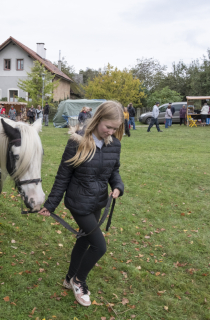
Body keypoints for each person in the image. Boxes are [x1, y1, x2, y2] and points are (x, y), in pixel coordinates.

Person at [38, 101, 124, 307]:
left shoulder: (114, 144)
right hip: (78, 202)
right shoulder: (76, 142)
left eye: (115, 128)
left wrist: (118, 186)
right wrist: (50, 205)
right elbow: (62, 176)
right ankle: (79, 280)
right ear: (97, 119)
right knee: (99, 246)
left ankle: (69, 278)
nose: (110, 132)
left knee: (84, 240)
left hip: (98, 201)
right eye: (108, 127)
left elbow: (114, 171)